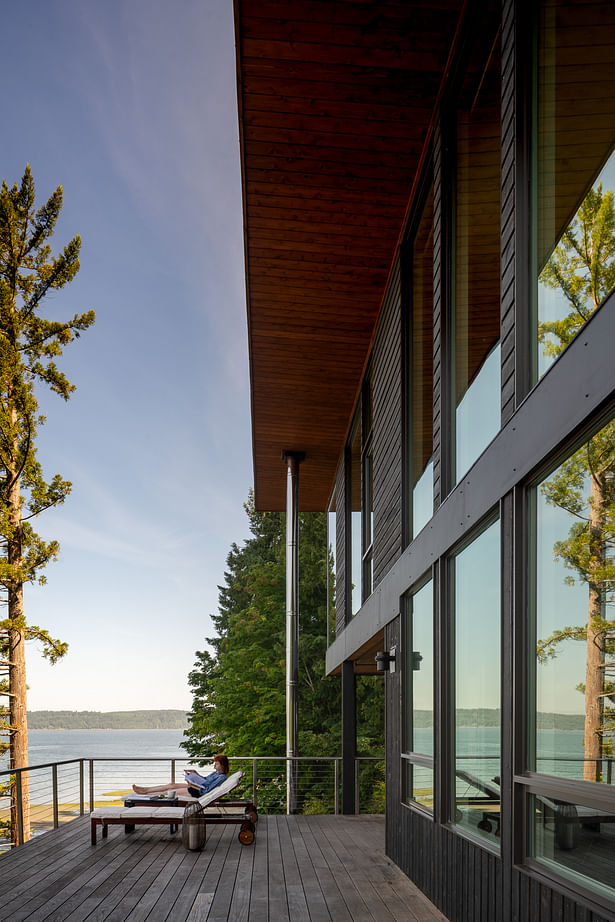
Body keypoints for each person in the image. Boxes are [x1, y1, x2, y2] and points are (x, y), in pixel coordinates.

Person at [132, 754, 229, 798]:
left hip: (196, 792)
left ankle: (145, 795)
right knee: (171, 784)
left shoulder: (221, 777)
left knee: (168, 792)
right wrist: (196, 774)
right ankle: (145, 789)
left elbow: (206, 790)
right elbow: (205, 780)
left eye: (216, 764)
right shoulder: (216, 773)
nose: (214, 766)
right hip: (195, 787)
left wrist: (192, 785)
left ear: (222, 765)